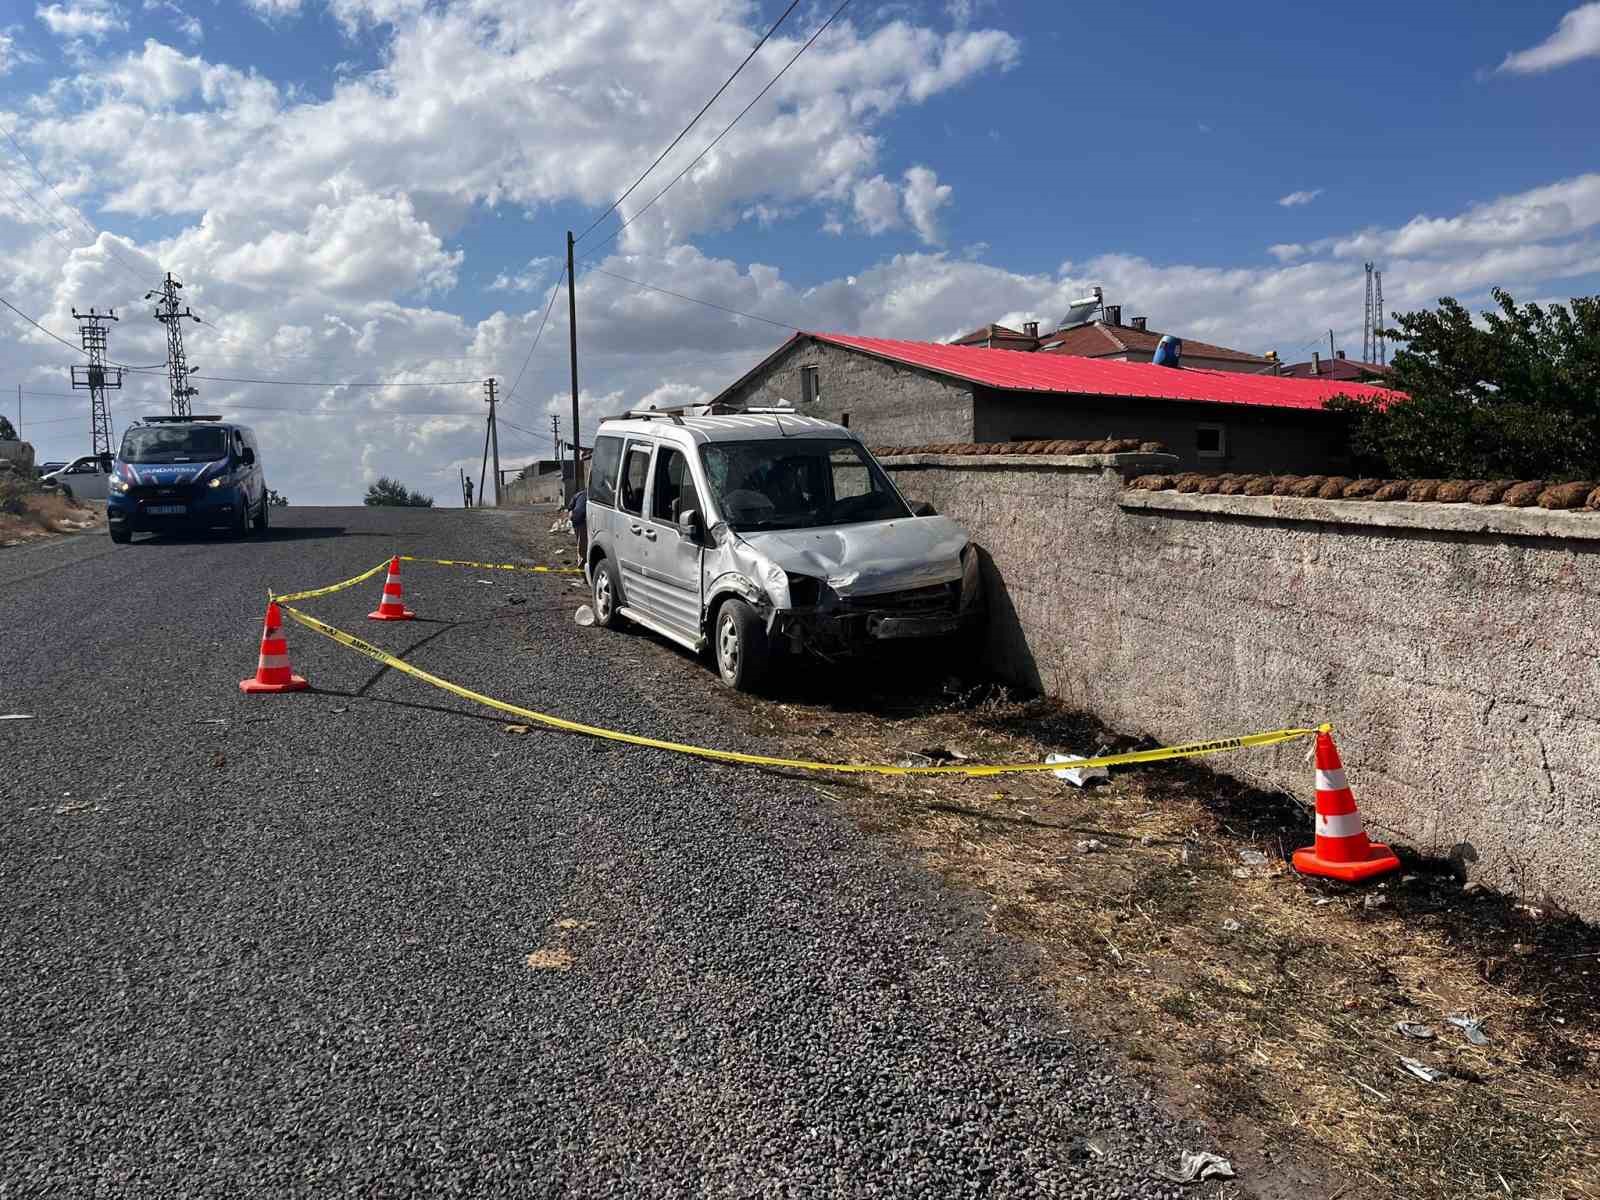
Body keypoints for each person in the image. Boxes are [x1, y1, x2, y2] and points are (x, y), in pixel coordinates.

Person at [568, 485, 587, 559]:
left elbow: (570, 507)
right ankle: (582, 559)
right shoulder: (591, 496)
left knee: (579, 538)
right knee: (583, 540)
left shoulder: (578, 494)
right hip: (581, 518)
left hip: (575, 517)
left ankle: (581, 556)